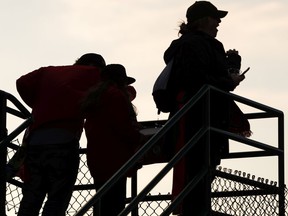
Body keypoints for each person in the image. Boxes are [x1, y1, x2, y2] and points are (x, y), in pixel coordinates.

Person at [163, 1, 249, 215]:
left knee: (200, 171)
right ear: (203, 21)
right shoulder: (197, 44)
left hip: (202, 115)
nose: (219, 22)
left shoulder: (187, 44)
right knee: (198, 171)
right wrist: (229, 80)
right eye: (215, 17)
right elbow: (198, 79)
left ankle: (194, 209)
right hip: (199, 116)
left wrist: (226, 77)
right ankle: (193, 210)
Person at [16, 53, 106, 216]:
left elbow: (22, 82)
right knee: (57, 197)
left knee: (32, 196)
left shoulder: (49, 71)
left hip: (35, 140)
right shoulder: (95, 74)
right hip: (63, 141)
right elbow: (113, 92)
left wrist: (38, 104)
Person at [81, 64, 146, 216]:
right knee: (115, 206)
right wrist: (140, 137)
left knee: (102, 204)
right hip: (115, 159)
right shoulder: (116, 96)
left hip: (97, 158)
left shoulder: (95, 98)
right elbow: (123, 127)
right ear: (121, 81)